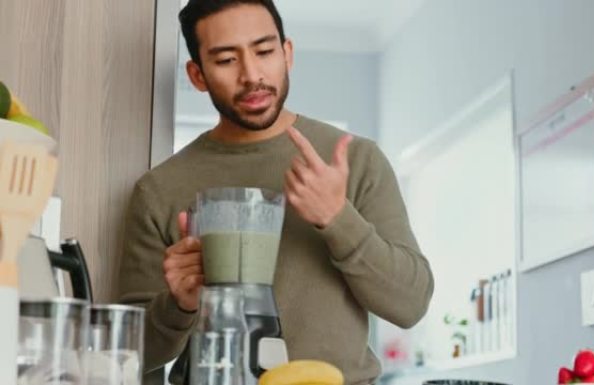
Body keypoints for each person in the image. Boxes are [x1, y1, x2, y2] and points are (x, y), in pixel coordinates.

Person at [117, 0, 434, 384]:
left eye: (264, 51)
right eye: (226, 60)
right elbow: (127, 355)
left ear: (287, 54)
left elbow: (410, 304)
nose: (252, 75)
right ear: (197, 75)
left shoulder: (355, 160)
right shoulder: (160, 190)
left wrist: (338, 219)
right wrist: (179, 305)